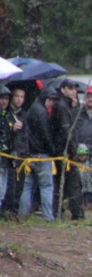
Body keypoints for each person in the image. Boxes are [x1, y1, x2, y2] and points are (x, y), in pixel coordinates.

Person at [19, 86, 59, 222]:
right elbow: (46, 134)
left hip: (29, 154)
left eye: (54, 100)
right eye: (50, 99)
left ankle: (23, 214)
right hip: (42, 155)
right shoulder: (42, 112)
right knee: (46, 186)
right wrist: (52, 150)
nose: (52, 103)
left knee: (27, 185)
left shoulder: (31, 109)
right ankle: (48, 216)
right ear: (44, 98)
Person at [51, 78, 83, 220]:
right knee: (71, 183)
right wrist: (74, 152)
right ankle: (74, 213)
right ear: (63, 89)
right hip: (64, 152)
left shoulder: (67, 106)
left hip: (64, 150)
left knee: (66, 183)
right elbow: (66, 132)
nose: (74, 91)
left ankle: (62, 212)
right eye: (71, 89)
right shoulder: (62, 106)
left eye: (75, 89)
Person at [1, 87, 29, 218]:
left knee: (17, 186)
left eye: (22, 97)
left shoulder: (24, 114)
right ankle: (6, 210)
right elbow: (4, 135)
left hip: (18, 154)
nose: (19, 99)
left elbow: (26, 137)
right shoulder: (6, 114)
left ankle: (13, 211)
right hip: (7, 155)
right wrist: (12, 128)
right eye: (17, 96)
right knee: (7, 187)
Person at [75, 86, 92, 208]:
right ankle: (86, 202)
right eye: (88, 97)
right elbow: (75, 134)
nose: (90, 99)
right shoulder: (78, 114)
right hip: (82, 153)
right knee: (85, 178)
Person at [0, 85, 11, 210]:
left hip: (5, 158)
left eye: (7, 98)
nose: (4, 101)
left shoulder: (7, 115)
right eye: (1, 98)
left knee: (2, 189)